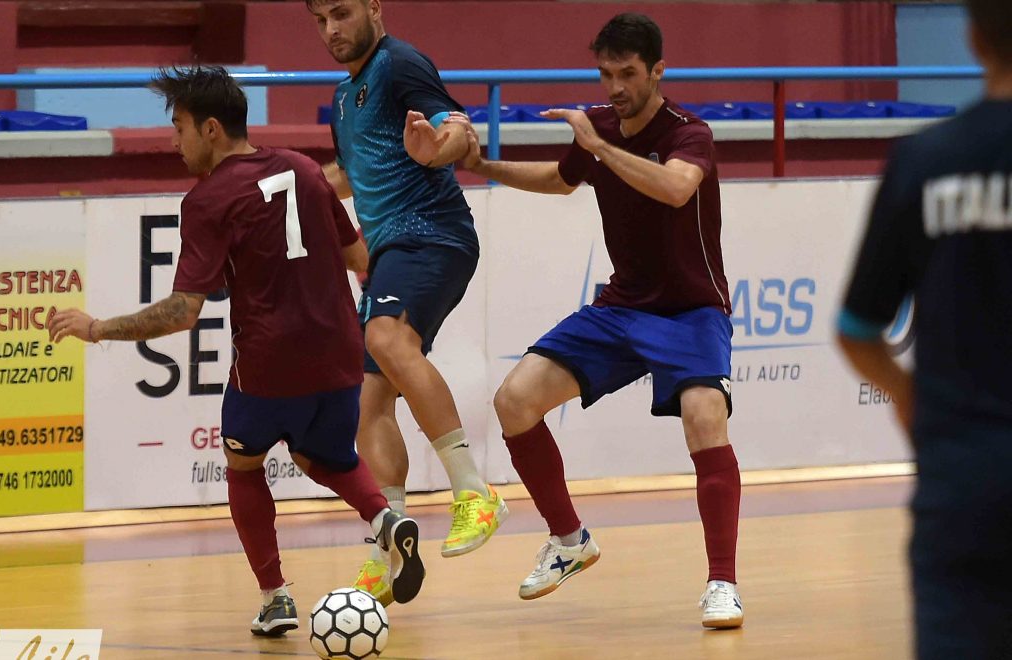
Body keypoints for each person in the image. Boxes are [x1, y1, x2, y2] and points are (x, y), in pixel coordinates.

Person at [47, 66, 425, 637]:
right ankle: (386, 519)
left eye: (179, 128)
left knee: (244, 466)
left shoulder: (207, 200)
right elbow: (359, 258)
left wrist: (97, 328)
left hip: (269, 363)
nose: (174, 142)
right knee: (325, 458)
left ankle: (276, 598)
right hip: (340, 353)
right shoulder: (304, 168)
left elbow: (183, 311)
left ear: (212, 129)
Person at [455, 13, 743, 628]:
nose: (615, 87)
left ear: (657, 71)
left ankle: (722, 582)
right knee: (514, 401)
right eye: (606, 73)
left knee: (704, 417)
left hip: (692, 311)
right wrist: (482, 165)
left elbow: (675, 188)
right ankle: (569, 541)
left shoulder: (689, 132)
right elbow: (563, 180)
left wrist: (600, 148)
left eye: (627, 74)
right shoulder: (601, 128)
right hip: (622, 307)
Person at [305, 0, 507, 605]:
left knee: (387, 338)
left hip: (431, 235)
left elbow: (457, 131)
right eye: (321, 20)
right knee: (365, 404)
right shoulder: (344, 98)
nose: (332, 29)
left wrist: (437, 148)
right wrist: (290, 188)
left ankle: (474, 491)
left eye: (342, 12)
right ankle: (386, 548)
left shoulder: (399, 63)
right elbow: (349, 173)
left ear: (374, 7)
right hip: (391, 252)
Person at [836, 0, 1012, 655]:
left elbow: (857, 328)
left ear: (974, 37)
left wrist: (908, 396)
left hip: (961, 476)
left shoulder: (925, 160)